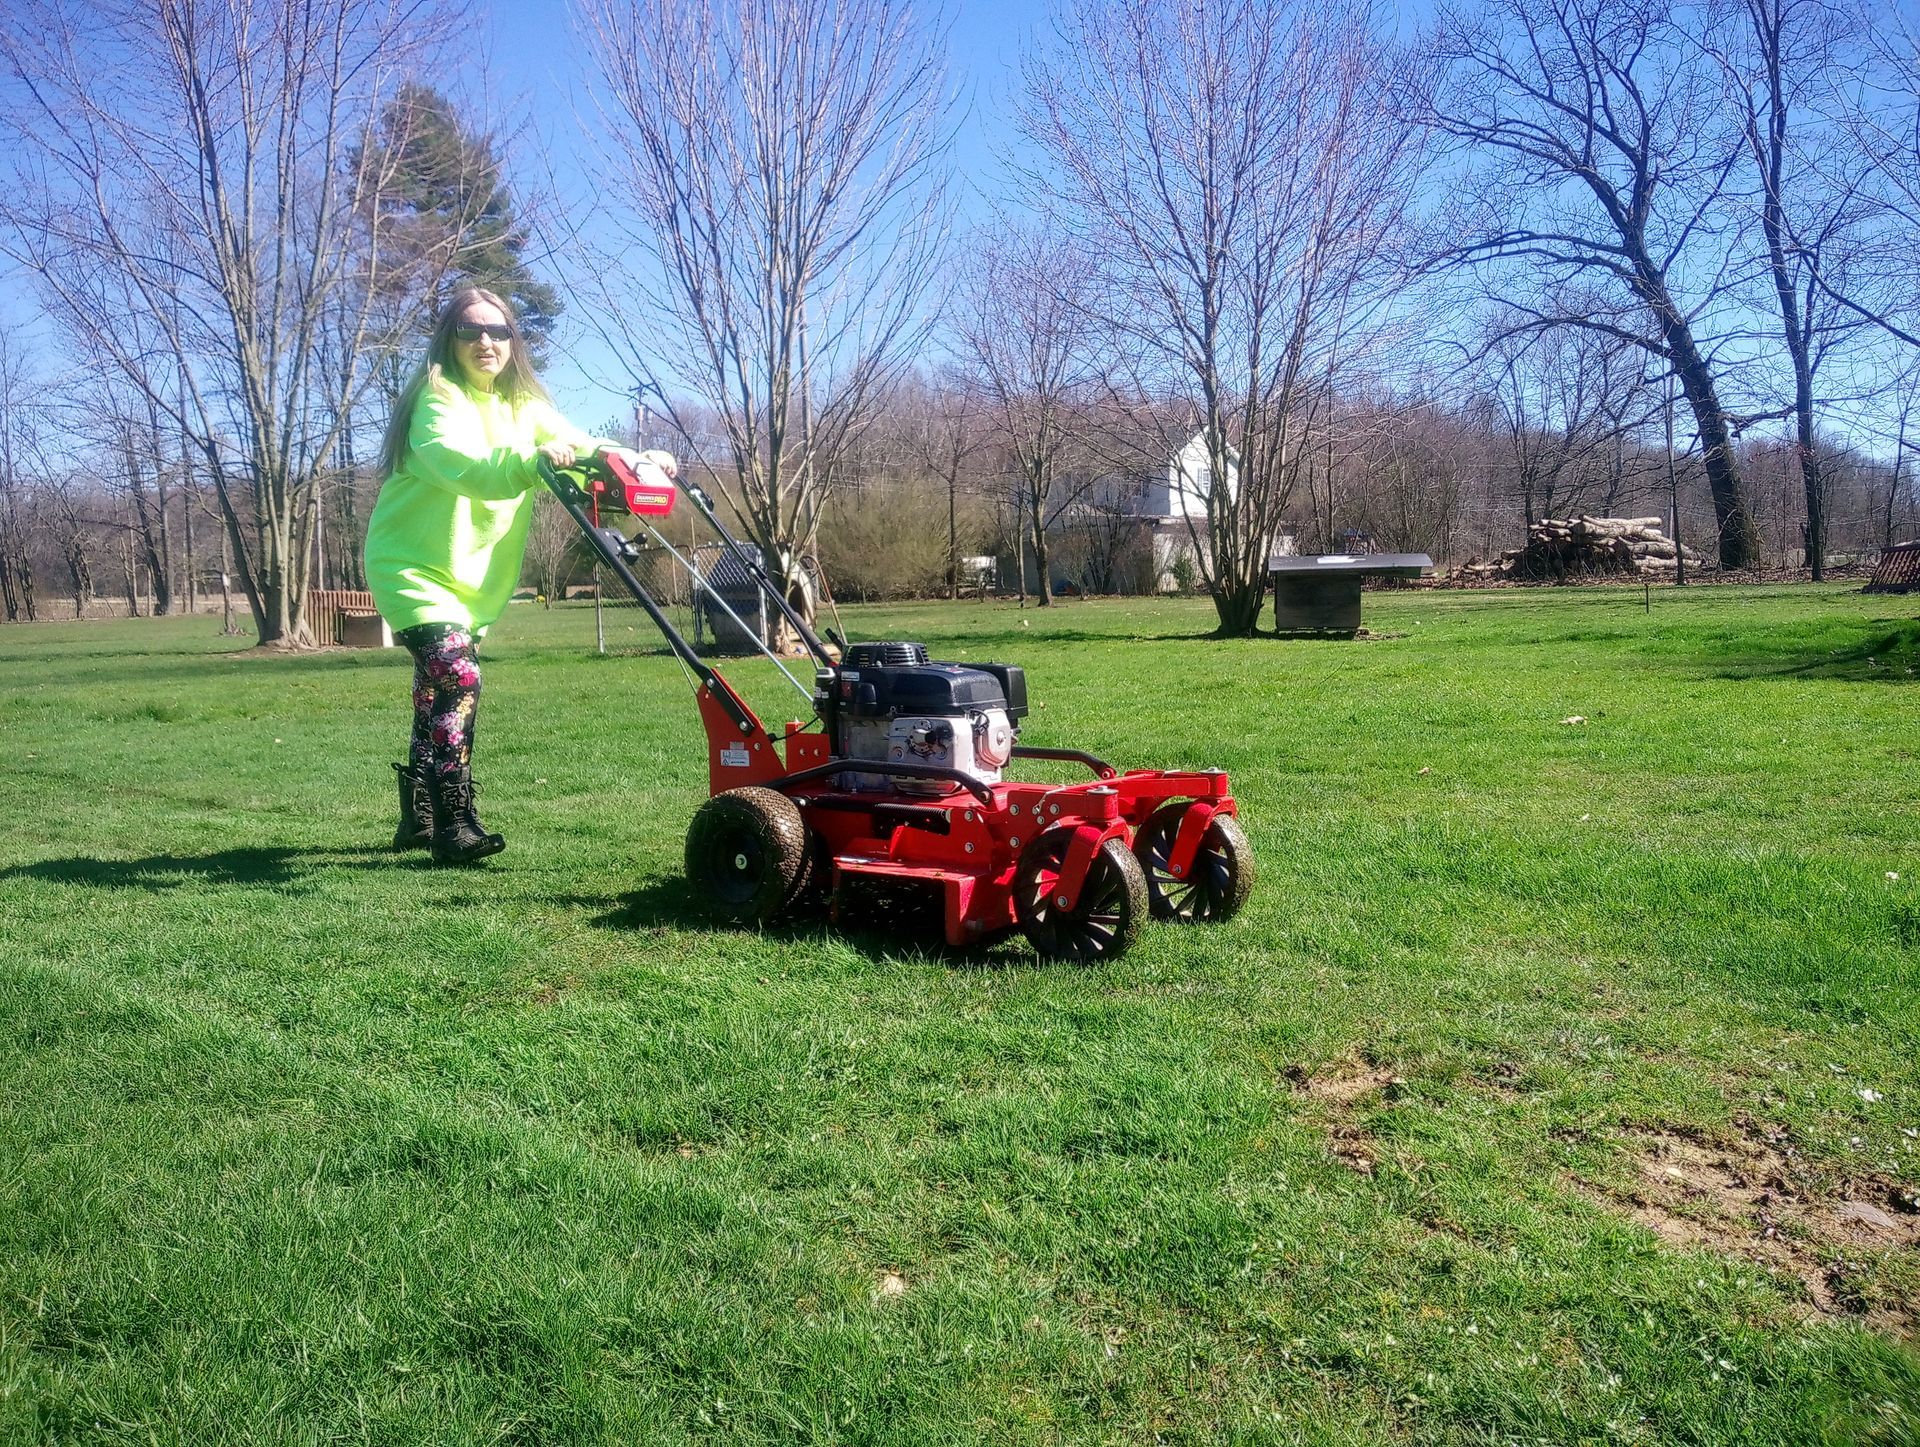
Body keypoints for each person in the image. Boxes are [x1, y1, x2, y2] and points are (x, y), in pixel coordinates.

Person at [364, 286, 669, 864]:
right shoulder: (436, 401)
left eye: (499, 332)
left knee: (435, 690)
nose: (486, 342)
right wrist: (529, 464)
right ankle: (454, 823)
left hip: (474, 580)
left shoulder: (522, 407)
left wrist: (638, 460)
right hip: (414, 569)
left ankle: (418, 818)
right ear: (449, 341)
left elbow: (581, 442)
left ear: (512, 342)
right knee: (458, 679)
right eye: (471, 331)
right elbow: (466, 467)